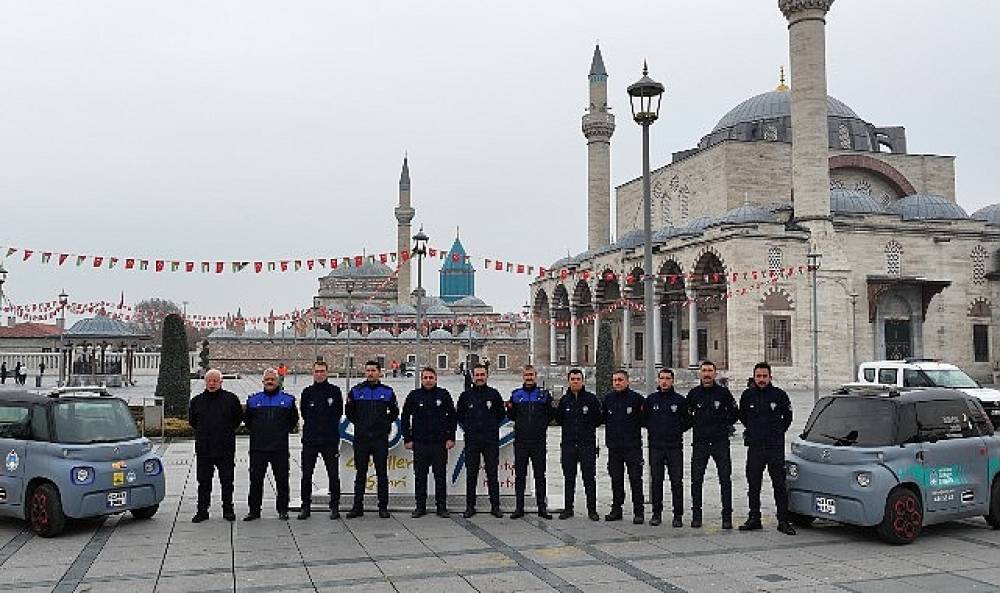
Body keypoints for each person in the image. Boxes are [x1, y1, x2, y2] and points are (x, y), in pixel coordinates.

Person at [738, 362, 796, 535]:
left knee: (779, 484)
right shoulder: (747, 396)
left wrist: (776, 433)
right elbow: (743, 417)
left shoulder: (779, 395)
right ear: (754, 377)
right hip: (755, 448)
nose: (761, 379)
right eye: (758, 376)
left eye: (765, 376)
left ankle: (783, 520)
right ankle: (754, 518)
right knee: (753, 484)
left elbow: (788, 417)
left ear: (770, 377)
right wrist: (755, 432)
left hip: (774, 447)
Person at [687, 360, 739, 529]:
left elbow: (734, 414)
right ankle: (696, 515)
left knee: (725, 479)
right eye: (704, 370)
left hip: (720, 442)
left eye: (710, 370)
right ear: (699, 373)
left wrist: (722, 425)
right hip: (700, 443)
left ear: (715, 374)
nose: (707, 374)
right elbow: (687, 416)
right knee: (696, 480)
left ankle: (727, 516)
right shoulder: (693, 394)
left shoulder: (723, 394)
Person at [188, 369, 244, 523]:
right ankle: (202, 510)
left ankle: (228, 510)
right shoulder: (196, 401)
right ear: (205, 382)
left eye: (215, 381)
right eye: (209, 381)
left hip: (225, 448)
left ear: (221, 382)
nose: (212, 384)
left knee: (227, 481)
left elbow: (237, 420)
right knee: (203, 482)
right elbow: (193, 421)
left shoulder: (231, 399)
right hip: (204, 449)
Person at [243, 368, 299, 521]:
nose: (269, 382)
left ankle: (283, 509)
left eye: (272, 379)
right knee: (255, 480)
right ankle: (254, 511)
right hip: (258, 448)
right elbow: (248, 421)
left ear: (277, 381)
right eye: (267, 379)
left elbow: (293, 420)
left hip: (279, 448)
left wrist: (280, 432)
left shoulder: (288, 400)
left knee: (282, 480)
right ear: (263, 381)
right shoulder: (253, 400)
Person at [345, 360, 399, 519]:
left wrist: (383, 423)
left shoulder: (387, 392)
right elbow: (349, 412)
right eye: (368, 370)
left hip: (379, 439)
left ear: (379, 372)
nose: (370, 373)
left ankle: (383, 507)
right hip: (361, 439)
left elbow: (394, 412)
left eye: (373, 370)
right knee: (360, 473)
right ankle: (357, 506)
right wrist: (361, 423)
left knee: (382, 473)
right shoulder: (356, 391)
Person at [401, 367, 457, 518]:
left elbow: (452, 417)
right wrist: (407, 438)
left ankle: (441, 507)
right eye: (425, 377)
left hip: (439, 444)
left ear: (436, 379)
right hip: (420, 444)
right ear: (421, 379)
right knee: (420, 477)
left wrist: (451, 437)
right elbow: (405, 417)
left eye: (431, 377)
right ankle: (420, 507)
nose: (428, 380)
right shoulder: (414, 396)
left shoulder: (443, 395)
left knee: (440, 477)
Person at [456, 363, 506, 518]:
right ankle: (470, 506)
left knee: (492, 474)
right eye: (477, 375)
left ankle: (495, 506)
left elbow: (501, 415)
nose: (479, 378)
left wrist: (490, 428)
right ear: (472, 376)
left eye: (482, 375)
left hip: (490, 441)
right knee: (471, 474)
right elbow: (460, 416)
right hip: (472, 441)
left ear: (487, 376)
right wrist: (470, 429)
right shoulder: (466, 396)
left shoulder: (494, 394)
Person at [554, 368, 604, 521]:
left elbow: (597, 420)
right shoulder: (564, 400)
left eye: (578, 379)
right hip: (569, 445)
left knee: (589, 478)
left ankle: (592, 510)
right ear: (568, 381)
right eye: (573, 379)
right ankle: (568, 509)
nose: (575, 382)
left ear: (583, 381)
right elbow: (560, 419)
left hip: (587, 445)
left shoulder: (591, 399)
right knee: (569, 478)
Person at [643, 368, 690, 527]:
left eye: (667, 378)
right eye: (661, 378)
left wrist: (676, 430)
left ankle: (678, 515)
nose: (664, 381)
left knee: (676, 481)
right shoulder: (651, 400)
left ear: (672, 380)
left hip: (674, 447)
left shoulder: (680, 400)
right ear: (658, 380)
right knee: (656, 481)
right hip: (656, 446)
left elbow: (688, 420)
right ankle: (656, 514)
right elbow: (644, 419)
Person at [506, 365, 554, 519]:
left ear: (536, 376)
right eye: (526, 375)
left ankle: (542, 507)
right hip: (521, 442)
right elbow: (511, 416)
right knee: (520, 476)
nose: (529, 377)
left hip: (538, 442)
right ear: (523, 376)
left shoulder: (543, 395)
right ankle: (519, 508)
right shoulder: (516, 395)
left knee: (540, 475)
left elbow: (550, 414)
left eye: (531, 375)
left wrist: (540, 427)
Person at [297, 360, 343, 520]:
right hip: (310, 440)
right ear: (313, 373)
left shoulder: (335, 392)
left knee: (333, 474)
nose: (319, 374)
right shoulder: (307, 392)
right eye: (317, 371)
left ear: (327, 372)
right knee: (306, 475)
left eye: (322, 371)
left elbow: (338, 413)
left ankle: (335, 506)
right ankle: (305, 506)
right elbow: (304, 413)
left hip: (329, 440)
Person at [603, 370, 645, 524]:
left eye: (620, 380)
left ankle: (638, 511)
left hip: (632, 448)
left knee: (635, 479)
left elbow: (644, 420)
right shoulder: (608, 399)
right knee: (616, 480)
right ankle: (616, 509)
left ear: (627, 381)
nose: (617, 383)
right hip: (614, 448)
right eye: (614, 380)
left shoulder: (637, 399)